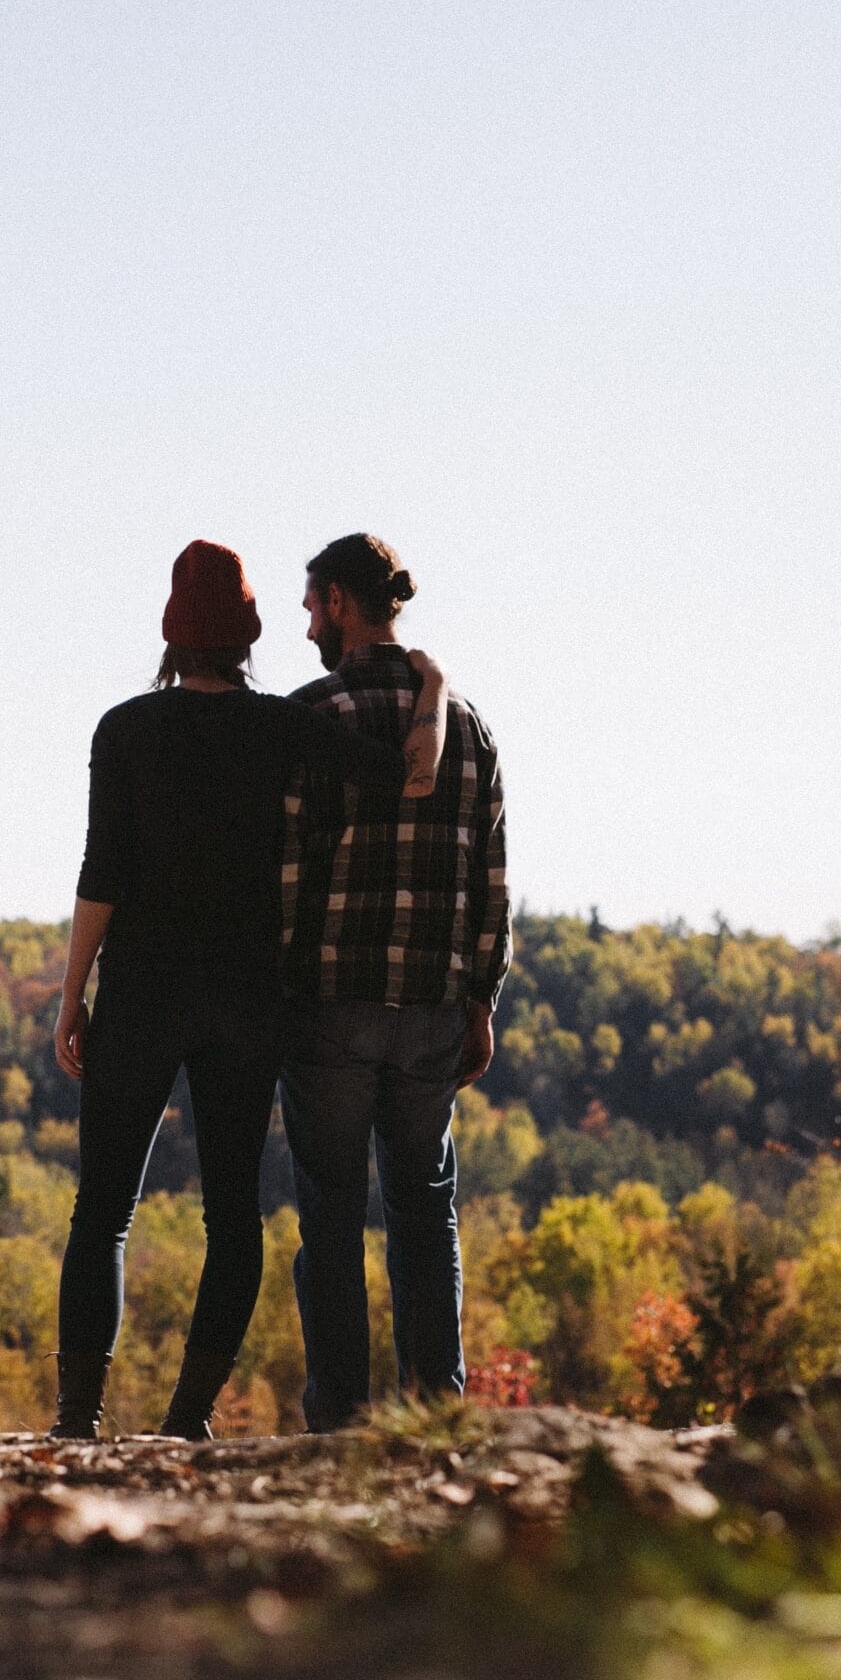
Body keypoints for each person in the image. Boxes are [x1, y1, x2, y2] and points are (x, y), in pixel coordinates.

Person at [49, 540, 449, 1441]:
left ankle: (78, 1420)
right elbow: (412, 776)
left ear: (170, 634)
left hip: (143, 993)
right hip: (246, 1001)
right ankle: (186, 1418)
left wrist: (72, 995)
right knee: (232, 1215)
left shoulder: (124, 730)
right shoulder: (280, 726)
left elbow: (101, 872)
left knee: (102, 1208)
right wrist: (433, 685)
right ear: (249, 633)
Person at [280, 533, 509, 1432]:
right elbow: (490, 877)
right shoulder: (470, 728)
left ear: (339, 601)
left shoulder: (313, 715)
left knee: (330, 1213)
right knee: (425, 1211)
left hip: (331, 1005)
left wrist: (283, 990)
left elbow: (289, 876)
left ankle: (339, 1415)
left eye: (310, 607)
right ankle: (433, 1411)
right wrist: (480, 998)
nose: (305, 626)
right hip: (429, 1010)